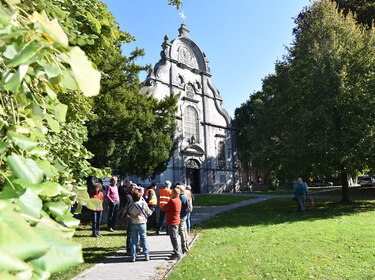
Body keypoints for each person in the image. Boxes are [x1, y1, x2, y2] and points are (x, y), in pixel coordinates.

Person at [128, 184, 152, 262]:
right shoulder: (143, 203)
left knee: (134, 240)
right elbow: (149, 212)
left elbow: (129, 213)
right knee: (143, 238)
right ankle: (146, 254)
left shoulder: (131, 204)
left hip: (133, 223)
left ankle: (133, 256)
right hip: (142, 223)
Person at [163, 187, 182, 260]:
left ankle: (177, 253)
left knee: (173, 237)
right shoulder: (178, 200)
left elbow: (165, 208)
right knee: (175, 236)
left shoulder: (172, 201)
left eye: (172, 192)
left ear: (175, 193)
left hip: (172, 221)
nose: (171, 194)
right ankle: (176, 251)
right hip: (176, 220)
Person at [176, 184, 190, 254]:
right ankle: (186, 246)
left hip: (181, 216)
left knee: (182, 232)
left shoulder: (181, 197)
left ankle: (184, 247)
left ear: (180, 190)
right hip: (184, 216)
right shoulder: (184, 196)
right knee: (184, 231)